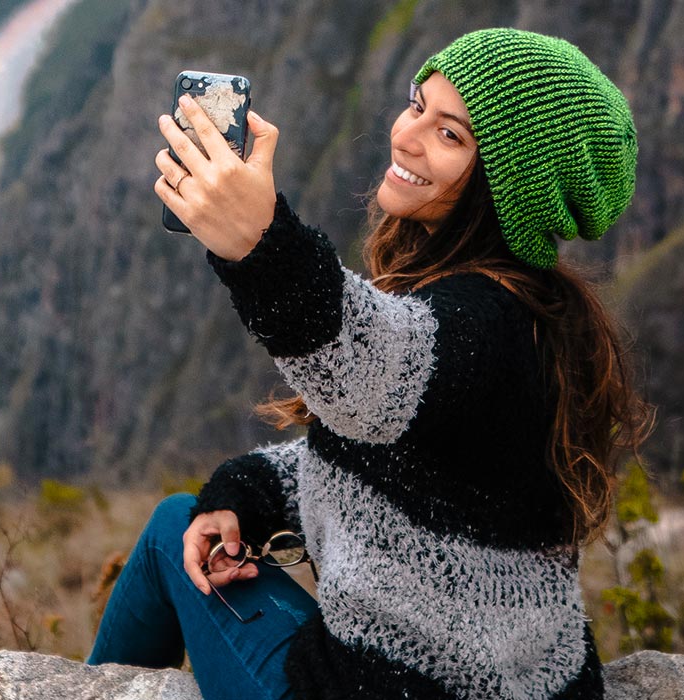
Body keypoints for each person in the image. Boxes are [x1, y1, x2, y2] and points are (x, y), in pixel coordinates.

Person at [88, 27, 652, 700]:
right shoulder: (536, 310)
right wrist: (246, 492)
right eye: (417, 105)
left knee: (164, 533)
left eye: (451, 135)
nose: (408, 136)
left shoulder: (481, 326)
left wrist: (262, 244)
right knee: (195, 512)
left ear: (512, 181)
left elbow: (365, 373)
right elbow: (397, 466)